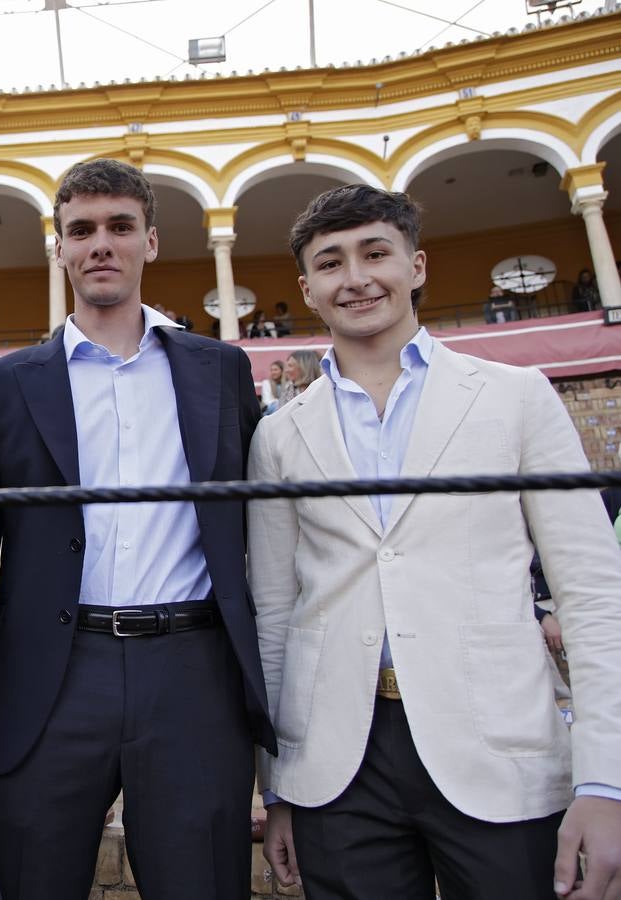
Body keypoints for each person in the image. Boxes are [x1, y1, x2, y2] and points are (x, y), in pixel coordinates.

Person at [249, 184, 621, 900]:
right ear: (307, 288)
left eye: (375, 253)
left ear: (415, 267)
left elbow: (592, 594)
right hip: (337, 766)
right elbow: (275, 614)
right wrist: (280, 786)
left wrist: (605, 777)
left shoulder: (516, 395)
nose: (355, 277)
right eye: (330, 263)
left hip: (499, 747)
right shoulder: (278, 433)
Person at [0, 159, 276, 899]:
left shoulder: (220, 370)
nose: (99, 244)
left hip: (192, 671)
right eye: (80, 230)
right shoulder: (4, 385)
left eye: (118, 227)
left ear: (150, 242)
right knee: (29, 881)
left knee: (200, 882)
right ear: (60, 248)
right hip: (52, 672)